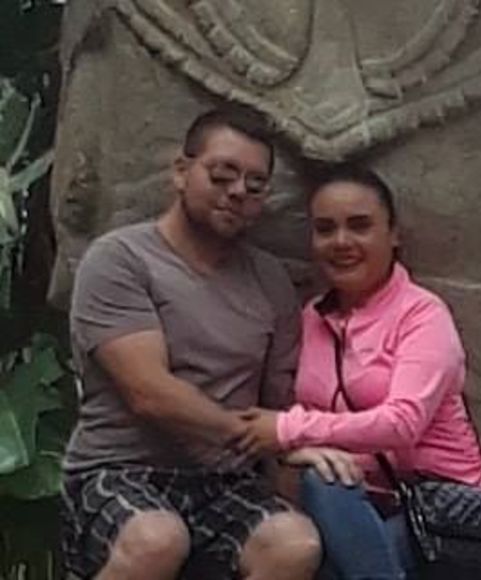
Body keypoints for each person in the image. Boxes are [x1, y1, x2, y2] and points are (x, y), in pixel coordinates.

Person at [60, 107, 322, 580]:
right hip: (120, 469)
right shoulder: (120, 259)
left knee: (294, 543)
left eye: (255, 185)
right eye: (222, 175)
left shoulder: (271, 281)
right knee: (157, 539)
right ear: (181, 172)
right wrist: (247, 433)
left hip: (223, 482)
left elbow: (277, 406)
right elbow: (149, 393)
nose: (238, 191)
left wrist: (290, 471)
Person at [238, 165, 481, 579]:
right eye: (325, 229)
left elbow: (402, 423)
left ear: (393, 234)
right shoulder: (311, 318)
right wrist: (293, 448)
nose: (341, 242)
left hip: (443, 515)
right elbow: (289, 413)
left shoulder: (422, 315)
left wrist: (287, 430)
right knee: (320, 488)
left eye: (360, 226)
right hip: (351, 503)